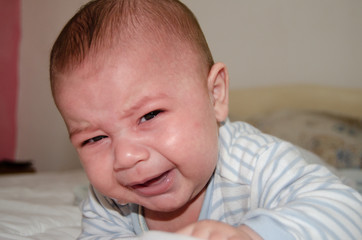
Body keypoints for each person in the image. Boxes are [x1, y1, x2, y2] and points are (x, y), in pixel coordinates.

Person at [49, 0, 362, 239]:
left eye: (149, 115)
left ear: (215, 95)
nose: (125, 157)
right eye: (94, 138)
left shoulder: (255, 163)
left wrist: (253, 234)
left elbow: (348, 211)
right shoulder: (108, 201)